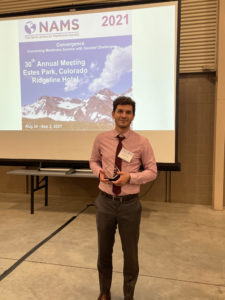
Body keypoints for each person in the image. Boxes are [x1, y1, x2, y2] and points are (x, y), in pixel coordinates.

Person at [90, 96, 157, 300]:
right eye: (120, 111)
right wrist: (98, 172)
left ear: (133, 116)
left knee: (130, 254)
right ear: (113, 114)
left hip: (129, 205)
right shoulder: (101, 138)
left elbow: (153, 171)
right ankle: (104, 292)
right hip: (105, 202)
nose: (123, 115)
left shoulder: (142, 142)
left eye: (128, 112)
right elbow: (93, 161)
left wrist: (131, 177)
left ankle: (129, 295)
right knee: (104, 251)